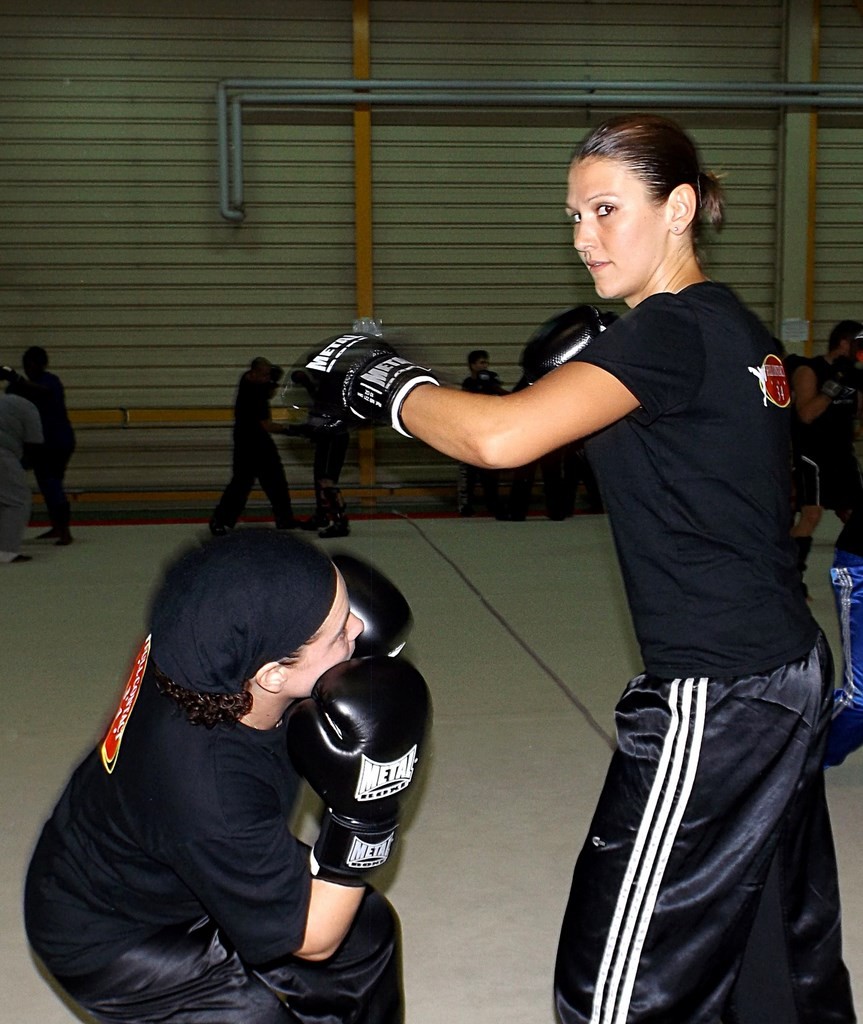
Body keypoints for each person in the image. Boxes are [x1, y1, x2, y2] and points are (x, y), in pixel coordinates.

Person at [300, 113, 854, 1023]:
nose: (583, 237)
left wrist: (384, 383)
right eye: (572, 216)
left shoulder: (665, 332)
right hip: (781, 666)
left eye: (605, 209)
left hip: (716, 690)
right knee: (776, 954)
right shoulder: (732, 326)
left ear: (678, 209)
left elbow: (499, 439)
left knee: (615, 986)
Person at [24, 528, 430, 1023]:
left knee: (365, 935)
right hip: (112, 939)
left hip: (162, 857)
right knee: (260, 1008)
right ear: (273, 674)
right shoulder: (208, 789)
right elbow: (314, 938)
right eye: (340, 631)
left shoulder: (200, 641)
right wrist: (366, 812)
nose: (358, 627)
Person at [789, 319, 863, 594]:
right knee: (811, 514)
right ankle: (790, 579)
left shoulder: (853, 376)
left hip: (842, 453)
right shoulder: (810, 370)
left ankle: (856, 575)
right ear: (844, 343)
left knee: (856, 516)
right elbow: (806, 414)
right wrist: (833, 386)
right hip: (813, 455)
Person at [210, 356, 300, 535]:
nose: (267, 378)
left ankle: (284, 519)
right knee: (244, 483)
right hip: (252, 441)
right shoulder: (255, 394)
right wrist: (292, 430)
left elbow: (268, 393)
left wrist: (271, 382)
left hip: (248, 438)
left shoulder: (247, 379)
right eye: (265, 375)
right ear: (254, 373)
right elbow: (267, 425)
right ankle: (221, 520)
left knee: (273, 481)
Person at [3, 347, 76, 545]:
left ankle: (65, 531)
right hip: (40, 443)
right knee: (47, 485)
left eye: (32, 364)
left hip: (57, 442)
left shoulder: (50, 381)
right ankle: (58, 527)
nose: (28, 368)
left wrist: (16, 380)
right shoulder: (25, 386)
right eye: (26, 364)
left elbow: (43, 391)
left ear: (42, 365)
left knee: (52, 484)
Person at [287, 366, 352, 538]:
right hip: (328, 436)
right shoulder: (328, 383)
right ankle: (322, 515)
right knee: (320, 477)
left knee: (327, 479)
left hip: (334, 437)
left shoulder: (333, 383)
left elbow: (326, 408)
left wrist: (306, 382)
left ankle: (340, 521)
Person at [457, 349, 507, 517]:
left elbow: (502, 398)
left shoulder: (492, 379)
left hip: (488, 433)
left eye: (486, 362)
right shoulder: (468, 383)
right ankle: (465, 506)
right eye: (481, 362)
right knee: (468, 474)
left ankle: (493, 504)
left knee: (490, 473)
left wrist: (492, 386)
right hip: (470, 434)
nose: (484, 366)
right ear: (472, 365)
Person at [0, 382, 43, 563]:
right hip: (4, 454)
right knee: (17, 501)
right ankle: (7, 551)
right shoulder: (27, 406)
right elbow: (35, 443)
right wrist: (25, 465)